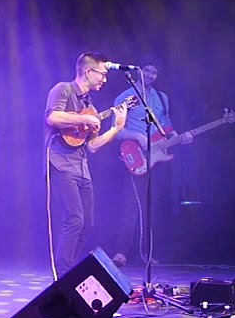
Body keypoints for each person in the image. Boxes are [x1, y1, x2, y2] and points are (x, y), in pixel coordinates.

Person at [44, 53, 129, 278]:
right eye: (102, 74)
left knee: (87, 223)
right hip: (60, 163)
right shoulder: (63, 89)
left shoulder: (89, 105)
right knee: (74, 219)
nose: (105, 79)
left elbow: (92, 146)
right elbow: (53, 118)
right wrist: (84, 119)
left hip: (81, 168)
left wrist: (116, 128)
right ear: (88, 71)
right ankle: (63, 275)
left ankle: (70, 270)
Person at [109, 61, 192, 267]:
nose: (150, 75)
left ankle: (146, 253)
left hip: (158, 157)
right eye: (147, 70)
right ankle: (121, 252)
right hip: (135, 155)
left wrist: (178, 136)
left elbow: (166, 125)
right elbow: (116, 131)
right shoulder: (125, 97)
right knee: (131, 205)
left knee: (152, 207)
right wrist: (138, 136)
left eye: (154, 72)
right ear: (139, 71)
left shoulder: (162, 98)